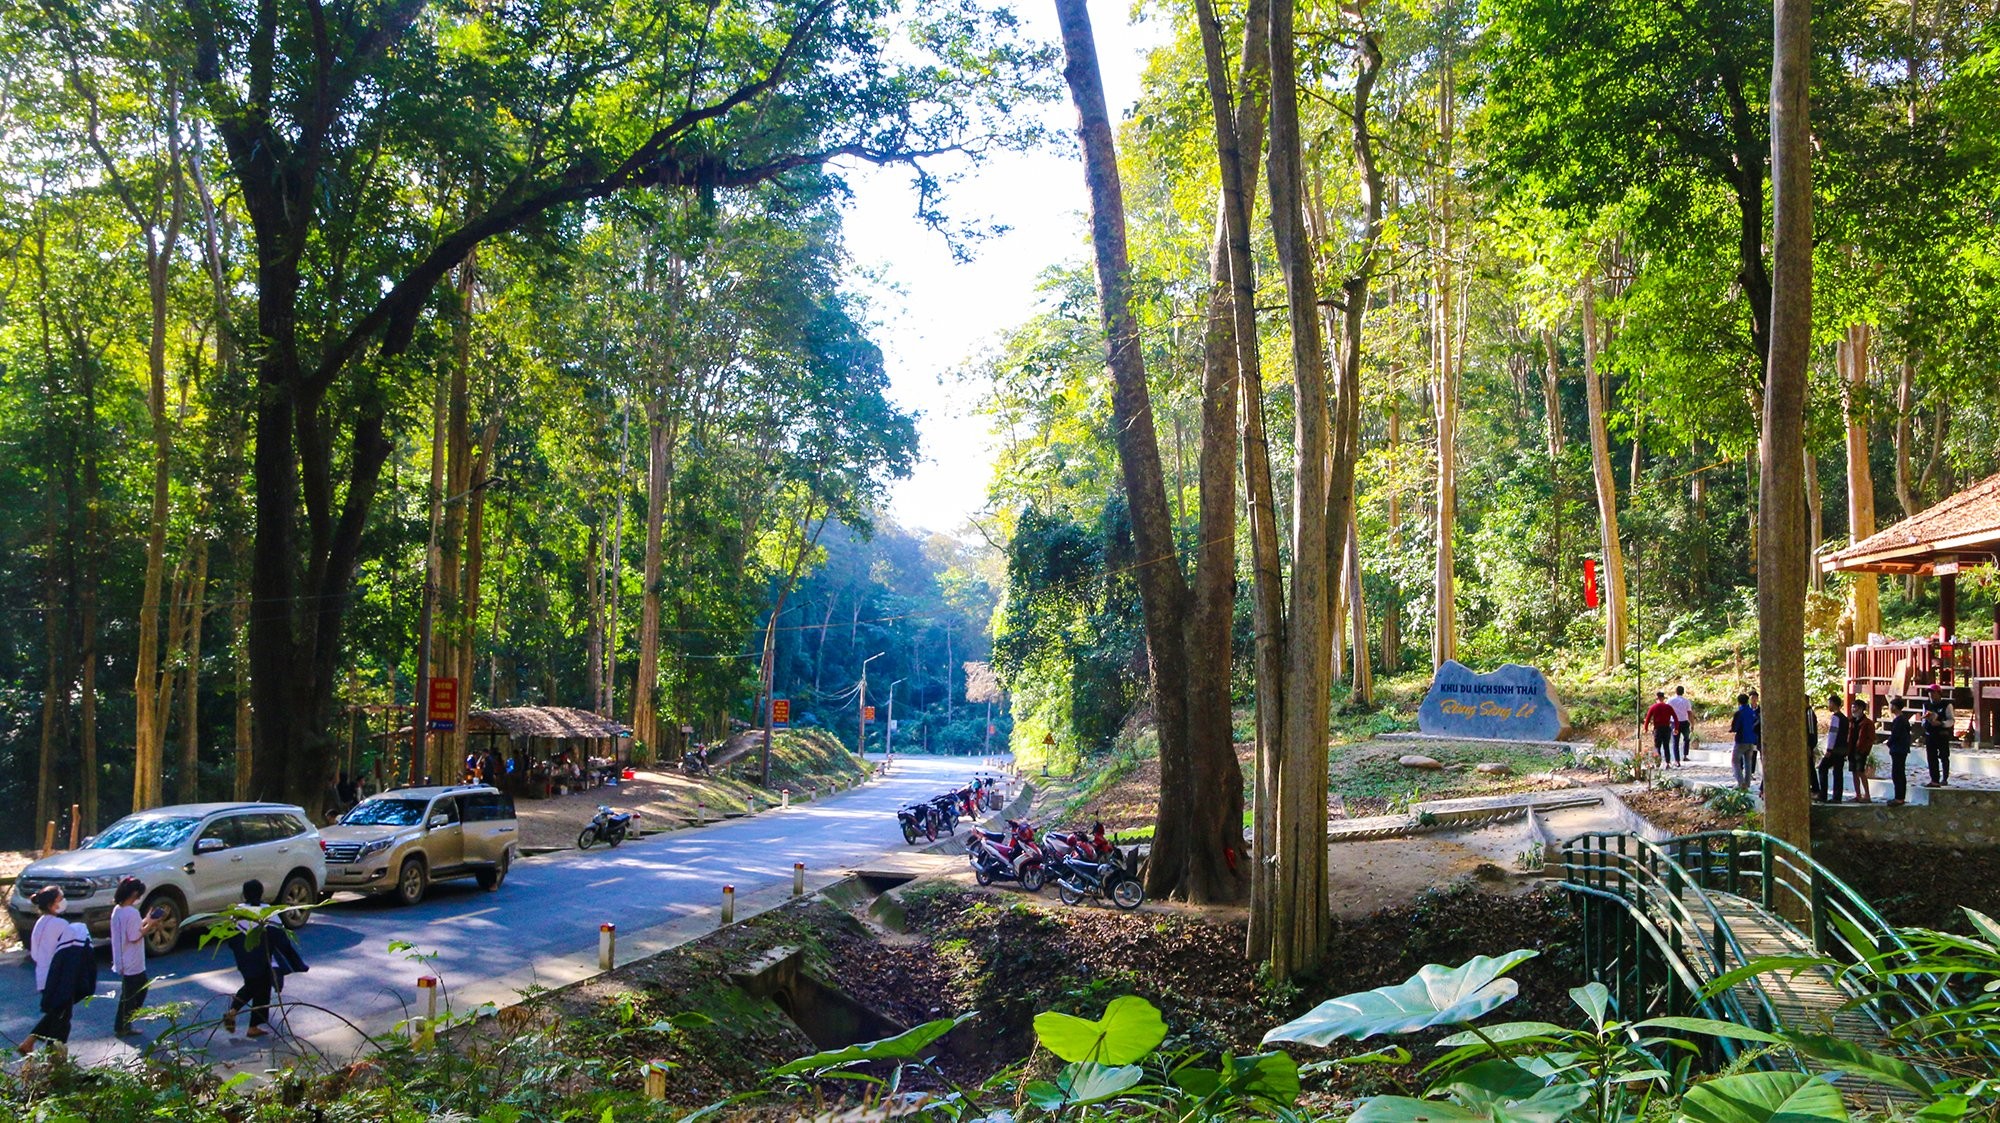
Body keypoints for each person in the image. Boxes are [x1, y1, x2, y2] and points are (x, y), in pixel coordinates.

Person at [27, 921, 95, 1055]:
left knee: (56, 1015)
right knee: (60, 1021)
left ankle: (31, 1043)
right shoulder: (73, 950)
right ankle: (54, 1056)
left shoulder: (43, 928)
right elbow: (78, 971)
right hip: (60, 985)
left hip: (49, 978)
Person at [19, 886, 72, 1054]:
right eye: (60, 899)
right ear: (51, 905)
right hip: (57, 977)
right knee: (61, 1016)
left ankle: (40, 1047)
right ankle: (49, 1052)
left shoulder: (39, 923)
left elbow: (35, 953)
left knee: (56, 1013)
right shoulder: (60, 924)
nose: (64, 902)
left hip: (42, 976)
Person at [109, 877, 165, 1036]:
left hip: (122, 957)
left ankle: (123, 1024)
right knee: (135, 993)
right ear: (134, 894)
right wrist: (151, 924)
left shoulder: (118, 910)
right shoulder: (132, 912)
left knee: (130, 992)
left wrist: (147, 919)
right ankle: (123, 1025)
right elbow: (134, 936)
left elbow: (131, 928)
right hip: (133, 959)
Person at [222, 880, 278, 1038]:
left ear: (244, 894)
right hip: (262, 957)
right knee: (262, 988)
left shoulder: (237, 911)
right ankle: (253, 1025)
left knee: (251, 985)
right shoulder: (267, 911)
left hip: (243, 957)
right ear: (261, 893)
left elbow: (231, 937)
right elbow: (277, 934)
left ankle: (234, 1012)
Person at [1819, 694, 1850, 802]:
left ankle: (1823, 794)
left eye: (1829, 703)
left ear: (1833, 704)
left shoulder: (1835, 717)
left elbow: (1833, 734)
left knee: (1822, 768)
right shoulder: (1845, 718)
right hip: (1842, 748)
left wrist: (1829, 749)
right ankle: (1837, 796)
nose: (1829, 705)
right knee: (1838, 772)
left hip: (1835, 749)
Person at [1884, 696, 1914, 806]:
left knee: (1897, 773)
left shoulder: (1899, 720)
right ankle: (1900, 796)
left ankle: (1899, 797)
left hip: (1898, 749)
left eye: (1891, 705)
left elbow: (1895, 735)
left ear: (1895, 707)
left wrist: (1888, 743)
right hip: (1901, 749)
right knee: (1899, 772)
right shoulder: (1903, 719)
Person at [1728, 692, 1761, 790]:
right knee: (1748, 762)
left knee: (1735, 761)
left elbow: (1735, 727)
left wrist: (1732, 730)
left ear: (1738, 702)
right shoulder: (1752, 712)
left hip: (1741, 740)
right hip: (1752, 740)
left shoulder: (1739, 713)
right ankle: (1747, 783)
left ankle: (1741, 782)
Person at [1848, 698, 1877, 803]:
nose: (1853, 709)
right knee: (1854, 773)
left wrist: (1864, 750)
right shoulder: (1851, 721)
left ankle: (1867, 795)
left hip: (1861, 751)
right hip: (1851, 750)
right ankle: (1858, 795)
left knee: (1861, 772)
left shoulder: (1867, 723)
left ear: (1861, 709)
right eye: (1852, 707)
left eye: (1855, 707)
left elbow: (1871, 738)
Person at [1643, 691, 1677, 768]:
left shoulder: (1653, 707)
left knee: (1657, 746)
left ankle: (1658, 762)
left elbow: (1648, 718)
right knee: (1666, 746)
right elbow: (1675, 718)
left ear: (1657, 698)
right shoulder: (1668, 707)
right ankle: (1667, 763)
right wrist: (1676, 727)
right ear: (1663, 698)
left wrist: (1646, 728)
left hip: (1657, 728)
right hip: (1666, 728)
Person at [1923, 705, 1953, 787]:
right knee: (1931, 758)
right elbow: (1923, 720)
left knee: (1944, 756)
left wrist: (1941, 723)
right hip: (1930, 735)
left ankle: (1945, 778)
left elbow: (1951, 720)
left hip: (1942, 735)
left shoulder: (1946, 705)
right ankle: (1934, 779)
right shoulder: (1926, 704)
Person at [1667, 686, 1694, 766]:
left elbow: (1666, 711)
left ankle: (1677, 760)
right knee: (1686, 739)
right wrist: (1692, 723)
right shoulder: (1686, 701)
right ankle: (1685, 755)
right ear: (1683, 692)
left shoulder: (1670, 700)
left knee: (1675, 741)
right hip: (1684, 722)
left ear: (1675, 691)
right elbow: (1689, 713)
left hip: (1674, 723)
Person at [1805, 694, 1823, 801]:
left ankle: (1816, 789)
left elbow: (1811, 731)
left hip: (1809, 744)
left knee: (1811, 766)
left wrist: (1810, 745)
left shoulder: (1809, 713)